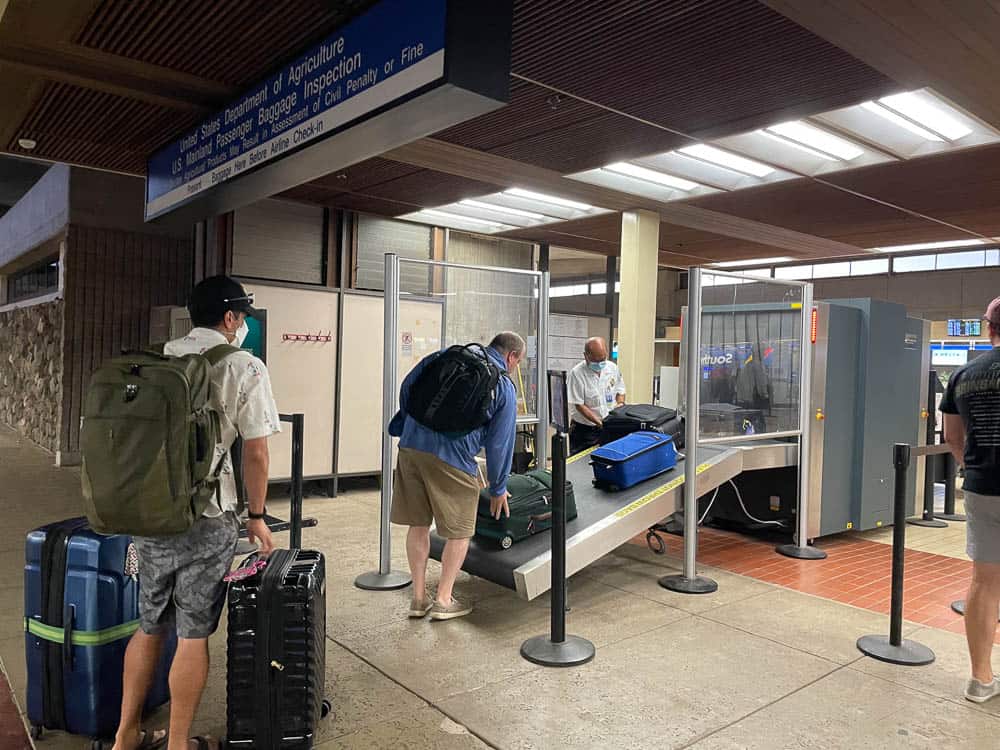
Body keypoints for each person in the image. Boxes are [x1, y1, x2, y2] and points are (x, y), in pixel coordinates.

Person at [113, 276, 280, 750]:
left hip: (147, 512)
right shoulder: (244, 366)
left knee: (148, 624)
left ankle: (126, 734)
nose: (244, 324)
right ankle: (179, 743)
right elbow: (257, 453)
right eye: (243, 316)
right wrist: (257, 514)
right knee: (192, 631)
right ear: (229, 318)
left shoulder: (156, 358)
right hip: (207, 517)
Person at [389, 332, 524, 621]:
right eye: (518, 361)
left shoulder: (447, 355)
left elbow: (408, 387)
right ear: (512, 356)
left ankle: (418, 598)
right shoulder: (502, 383)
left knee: (418, 524)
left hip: (411, 446)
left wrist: (408, 424)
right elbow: (500, 443)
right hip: (452, 458)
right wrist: (498, 487)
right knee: (460, 531)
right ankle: (443, 599)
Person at [941, 295, 1000, 704]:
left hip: (982, 488)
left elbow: (952, 438)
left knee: (984, 582)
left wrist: (973, 467)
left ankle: (980, 679)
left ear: (989, 326)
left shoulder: (964, 374)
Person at [567, 337, 626, 454]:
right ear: (586, 356)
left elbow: (621, 390)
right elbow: (579, 405)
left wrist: (620, 404)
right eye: (596, 361)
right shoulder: (577, 373)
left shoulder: (612, 368)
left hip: (609, 426)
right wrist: (600, 423)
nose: (600, 364)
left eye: (602, 359)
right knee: (582, 467)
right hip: (585, 431)